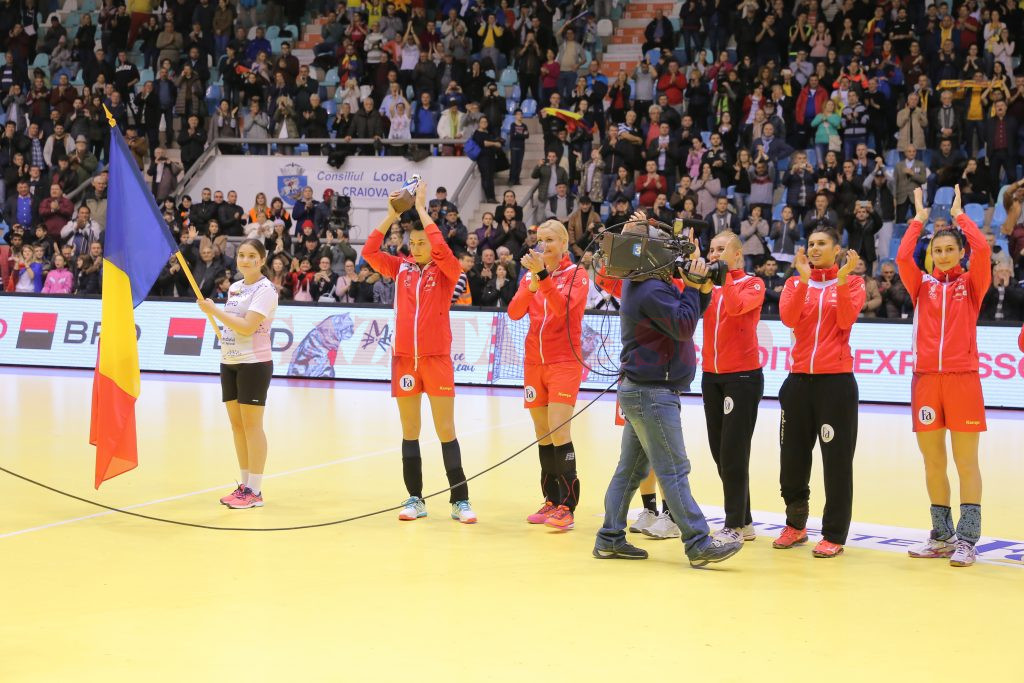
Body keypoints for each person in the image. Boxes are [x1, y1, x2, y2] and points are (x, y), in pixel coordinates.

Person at [594, 212, 744, 567]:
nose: (673, 255)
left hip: (641, 389)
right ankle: (698, 542)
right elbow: (683, 325)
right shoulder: (651, 288)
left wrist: (700, 290)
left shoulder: (642, 281)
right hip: (652, 392)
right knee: (674, 469)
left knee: (629, 471)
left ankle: (609, 537)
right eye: (664, 247)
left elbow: (686, 314)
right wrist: (693, 287)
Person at [362, 181, 477, 524]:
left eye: (421, 241)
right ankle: (415, 499)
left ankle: (461, 499)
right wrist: (389, 217)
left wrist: (424, 211)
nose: (416, 246)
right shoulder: (399, 268)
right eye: (411, 243)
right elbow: (369, 252)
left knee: (445, 429)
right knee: (409, 431)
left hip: (437, 360)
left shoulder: (447, 271)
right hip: (404, 361)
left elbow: (441, 249)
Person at [897, 187, 991, 567]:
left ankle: (968, 539)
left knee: (966, 463)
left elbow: (984, 251)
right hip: (926, 382)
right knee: (933, 462)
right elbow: (904, 255)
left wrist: (961, 216)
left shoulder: (972, 285)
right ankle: (942, 535)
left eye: (951, 249)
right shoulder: (921, 286)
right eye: (938, 250)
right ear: (932, 255)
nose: (944, 255)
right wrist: (918, 218)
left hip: (963, 379)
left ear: (960, 252)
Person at [773, 230, 865, 558]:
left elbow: (845, 319)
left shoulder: (853, 284)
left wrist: (840, 279)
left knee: (836, 463)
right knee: (792, 459)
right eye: (811, 244)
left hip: (836, 384)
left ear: (837, 250)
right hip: (798, 382)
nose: (814, 248)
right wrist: (802, 280)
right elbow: (788, 319)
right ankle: (796, 525)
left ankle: (834, 533)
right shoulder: (796, 283)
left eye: (822, 243)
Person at [507, 219, 589, 531]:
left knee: (559, 430)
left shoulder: (577, 275)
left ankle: (568, 505)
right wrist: (532, 283)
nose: (545, 245)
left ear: (565, 245)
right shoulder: (531, 276)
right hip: (533, 364)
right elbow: (514, 312)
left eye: (551, 239)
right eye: (540, 239)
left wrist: (542, 277)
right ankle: (551, 500)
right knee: (543, 433)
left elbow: (560, 310)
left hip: (564, 362)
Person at [197, 239, 279, 509]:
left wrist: (215, 310)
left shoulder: (265, 290)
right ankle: (245, 486)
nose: (245, 260)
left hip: (254, 363)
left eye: (251, 256)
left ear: (262, 260)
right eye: (241, 255)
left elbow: (247, 327)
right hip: (229, 360)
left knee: (253, 426)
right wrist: (217, 320)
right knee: (237, 426)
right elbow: (232, 327)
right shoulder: (235, 287)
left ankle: (255, 490)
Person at [701, 231, 765, 543]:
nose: (714, 254)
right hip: (710, 375)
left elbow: (738, 308)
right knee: (719, 451)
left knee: (733, 452)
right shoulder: (707, 286)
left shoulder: (752, 283)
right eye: (711, 249)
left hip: (742, 377)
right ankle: (746, 519)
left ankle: (734, 525)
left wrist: (723, 279)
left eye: (721, 249)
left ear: (737, 255)